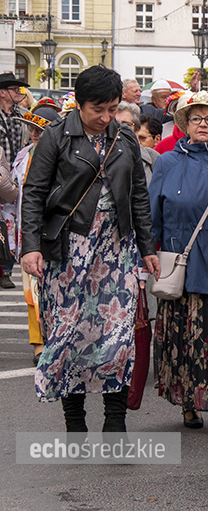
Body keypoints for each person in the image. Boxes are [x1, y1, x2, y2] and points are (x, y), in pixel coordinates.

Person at [21, 65, 160, 432]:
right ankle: (75, 420)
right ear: (79, 105)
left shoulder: (125, 138)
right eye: (97, 109)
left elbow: (138, 196)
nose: (105, 117)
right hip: (68, 250)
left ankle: (115, 420)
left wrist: (147, 247)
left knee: (116, 335)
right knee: (68, 333)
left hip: (117, 250)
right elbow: (33, 193)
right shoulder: (55, 137)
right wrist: (30, 246)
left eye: (112, 109)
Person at [148, 91, 208, 430]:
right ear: (185, 124)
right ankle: (188, 399)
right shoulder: (167, 162)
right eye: (196, 118)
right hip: (181, 265)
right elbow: (153, 217)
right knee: (184, 339)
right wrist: (149, 254)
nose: (203, 124)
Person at [13, 109, 55, 365]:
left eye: (41, 129)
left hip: (53, 232)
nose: (36, 134)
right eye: (32, 128)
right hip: (27, 232)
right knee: (31, 292)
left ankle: (55, 339)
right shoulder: (22, 156)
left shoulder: (61, 156)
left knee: (54, 291)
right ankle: (38, 343)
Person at [0, 72, 30, 289]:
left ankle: (6, 269)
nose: (19, 92)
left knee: (11, 224)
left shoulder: (23, 114)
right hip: (1, 174)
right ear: (2, 93)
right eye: (14, 89)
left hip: (16, 177)